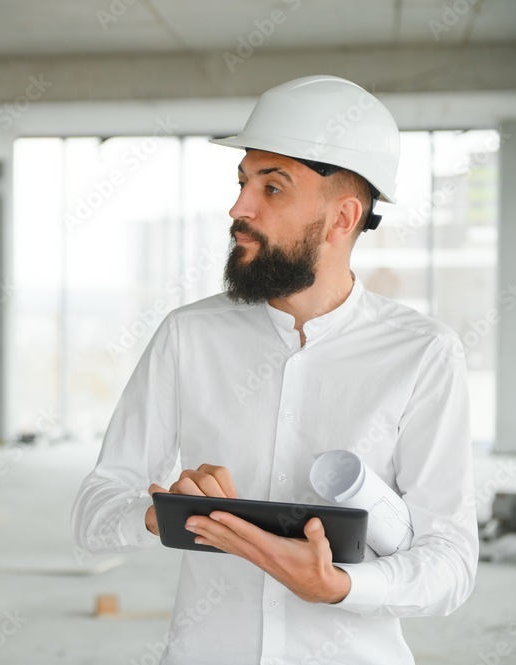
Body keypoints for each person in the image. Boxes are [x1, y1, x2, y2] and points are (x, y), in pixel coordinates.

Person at [71, 75, 478, 664]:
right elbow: (93, 511)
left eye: (273, 187)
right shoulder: (188, 336)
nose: (238, 208)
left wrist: (339, 586)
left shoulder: (423, 354)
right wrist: (161, 514)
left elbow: (451, 560)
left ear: (343, 218)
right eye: (242, 182)